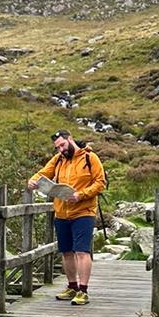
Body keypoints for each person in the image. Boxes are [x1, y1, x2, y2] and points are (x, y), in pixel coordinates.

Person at [27, 130, 106, 305]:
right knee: (66, 252)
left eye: (62, 145)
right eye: (57, 147)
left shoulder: (90, 158)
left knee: (82, 251)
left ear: (70, 139)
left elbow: (100, 183)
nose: (61, 149)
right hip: (61, 212)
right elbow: (42, 174)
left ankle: (83, 291)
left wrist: (81, 195)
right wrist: (32, 181)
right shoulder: (58, 160)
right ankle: (72, 287)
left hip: (83, 212)